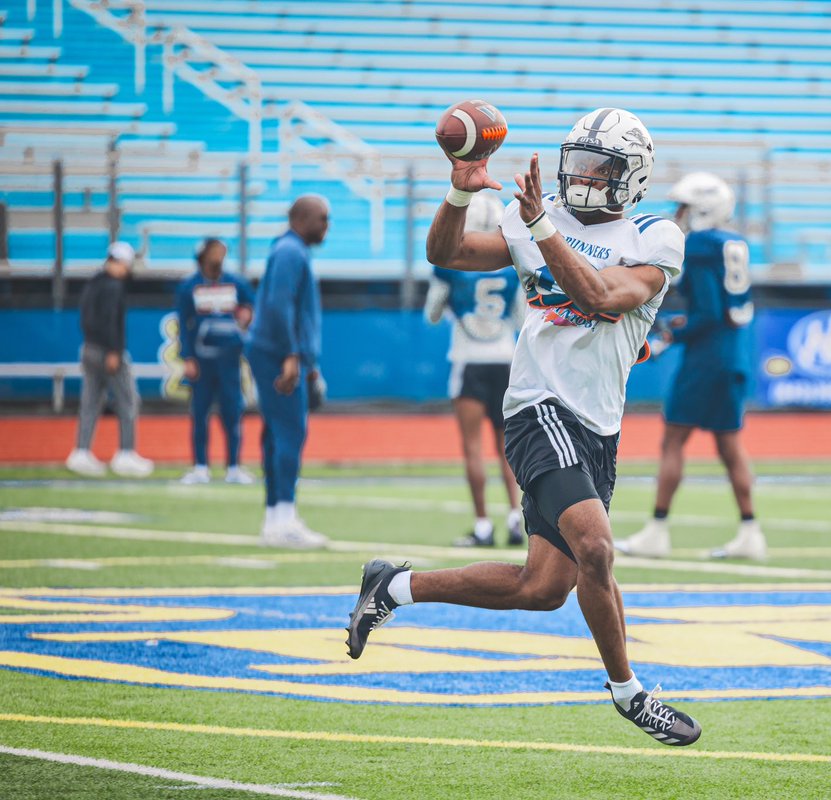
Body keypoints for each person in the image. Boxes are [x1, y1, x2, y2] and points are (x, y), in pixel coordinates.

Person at [346, 108, 702, 747]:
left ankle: (393, 586)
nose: (586, 177)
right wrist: (460, 189)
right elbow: (447, 252)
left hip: (598, 426)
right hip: (538, 407)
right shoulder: (541, 217)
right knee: (596, 547)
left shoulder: (656, 235)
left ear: (633, 177)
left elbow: (599, 295)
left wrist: (541, 227)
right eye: (581, 162)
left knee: (542, 589)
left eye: (602, 167)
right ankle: (630, 694)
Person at [614, 172, 764, 561]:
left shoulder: (699, 245)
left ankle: (657, 530)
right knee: (730, 446)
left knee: (673, 440)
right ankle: (750, 530)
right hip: (733, 354)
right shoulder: (735, 242)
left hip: (705, 359)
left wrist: (669, 338)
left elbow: (709, 314)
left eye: (683, 207)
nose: (677, 214)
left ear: (702, 210)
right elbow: (719, 310)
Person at [423, 191, 526, 548]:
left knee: (473, 448)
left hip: (468, 359)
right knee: (507, 448)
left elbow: (432, 315)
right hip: (505, 358)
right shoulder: (513, 265)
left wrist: (456, 304)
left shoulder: (449, 264)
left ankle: (482, 525)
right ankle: (516, 518)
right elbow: (521, 319)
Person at [246, 196, 329, 549]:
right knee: (290, 433)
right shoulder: (290, 252)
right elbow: (279, 307)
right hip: (277, 354)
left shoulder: (290, 250)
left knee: (277, 434)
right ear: (303, 218)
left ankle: (275, 518)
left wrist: (306, 364)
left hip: (281, 353)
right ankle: (283, 517)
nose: (327, 226)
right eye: (323, 219)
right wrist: (292, 355)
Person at [66, 241, 154, 478]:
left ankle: (81, 451)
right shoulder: (113, 287)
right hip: (107, 352)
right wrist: (114, 350)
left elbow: (87, 318)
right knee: (127, 400)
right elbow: (110, 321)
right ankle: (126, 452)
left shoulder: (93, 283)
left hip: (89, 348)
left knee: (90, 402)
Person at [176, 238, 256, 485]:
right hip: (202, 360)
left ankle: (233, 466)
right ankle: (200, 466)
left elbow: (251, 308)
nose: (219, 256)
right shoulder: (189, 286)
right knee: (200, 413)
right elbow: (183, 323)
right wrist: (187, 357)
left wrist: (246, 318)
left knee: (232, 413)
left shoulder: (236, 283)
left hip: (229, 359)